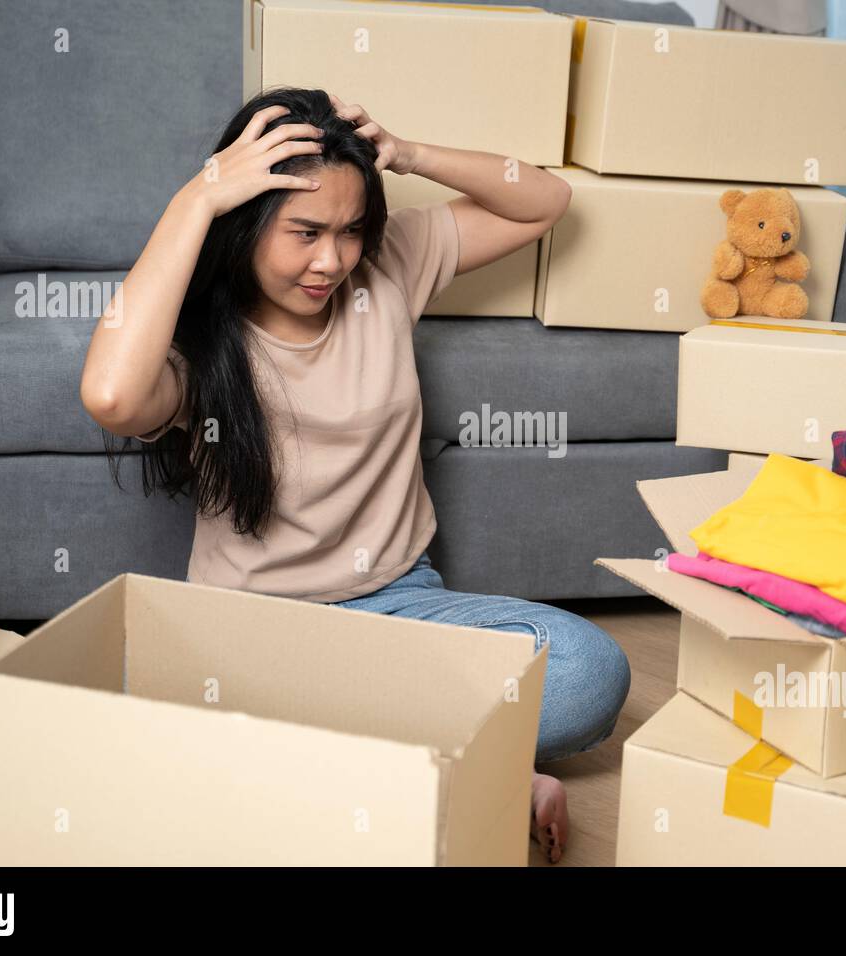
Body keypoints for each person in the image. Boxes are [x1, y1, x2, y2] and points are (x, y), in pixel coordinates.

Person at [80, 87, 631, 864]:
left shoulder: (388, 268)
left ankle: (343, 762)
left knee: (587, 671)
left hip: (399, 608)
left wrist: (407, 155)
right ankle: (477, 765)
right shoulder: (198, 343)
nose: (331, 261)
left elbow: (545, 200)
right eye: (304, 232)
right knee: (166, 715)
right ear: (245, 224)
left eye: (349, 232)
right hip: (253, 633)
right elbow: (109, 395)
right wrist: (197, 198)